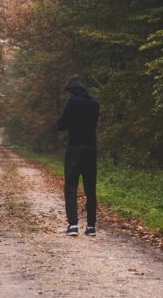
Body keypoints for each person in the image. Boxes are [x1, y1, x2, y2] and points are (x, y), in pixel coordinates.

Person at [56, 75, 100, 236]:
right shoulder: (95, 103)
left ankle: (73, 225)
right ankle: (91, 226)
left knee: (71, 186)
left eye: (68, 91)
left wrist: (63, 123)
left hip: (75, 148)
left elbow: (61, 124)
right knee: (90, 188)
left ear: (72, 90)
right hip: (91, 148)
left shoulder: (72, 103)